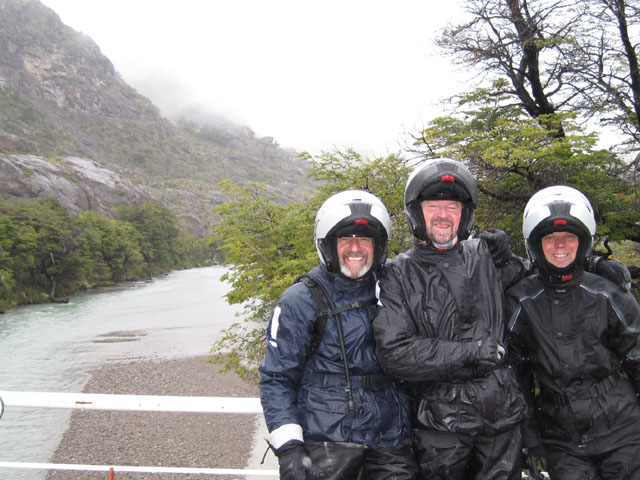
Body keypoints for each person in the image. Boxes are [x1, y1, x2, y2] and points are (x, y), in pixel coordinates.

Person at [372, 158, 531, 479]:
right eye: (434, 206)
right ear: (417, 212)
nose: (443, 215)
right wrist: (471, 351)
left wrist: (600, 268)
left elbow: (549, 273)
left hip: (502, 417)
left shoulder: (486, 257)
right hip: (441, 424)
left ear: (465, 215)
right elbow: (395, 353)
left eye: (453, 207)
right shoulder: (398, 275)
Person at [259, 190, 418, 480]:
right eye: (345, 239)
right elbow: (276, 379)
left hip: (391, 441)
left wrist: (493, 256)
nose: (355, 248)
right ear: (328, 246)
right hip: (327, 443)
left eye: (365, 239)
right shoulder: (301, 300)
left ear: (378, 246)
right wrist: (289, 448)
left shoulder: (395, 289)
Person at [505, 186, 640, 480]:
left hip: (623, 428)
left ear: (583, 242)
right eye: (550, 238)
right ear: (536, 245)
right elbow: (515, 378)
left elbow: (637, 355)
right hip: (560, 437)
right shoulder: (521, 300)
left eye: (569, 237)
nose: (560, 246)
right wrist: (530, 440)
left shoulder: (608, 293)